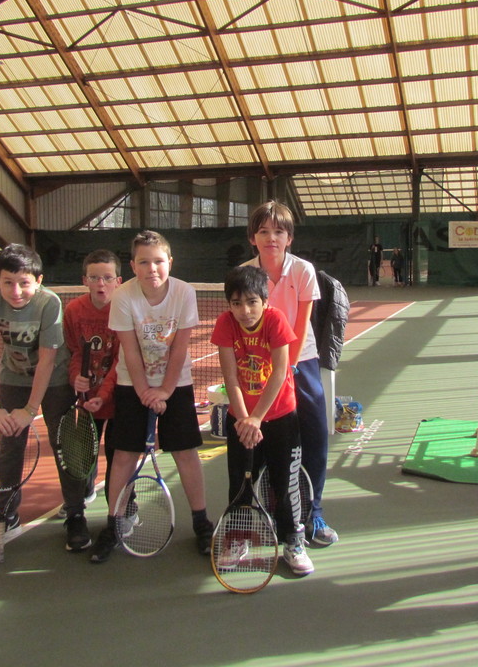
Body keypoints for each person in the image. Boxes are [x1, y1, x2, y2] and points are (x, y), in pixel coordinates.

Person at [90, 230, 213, 562]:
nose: (152, 268)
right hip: (132, 385)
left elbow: (180, 348)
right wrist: (145, 391)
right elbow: (129, 351)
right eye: (143, 262)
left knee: (186, 452)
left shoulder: (184, 293)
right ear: (133, 266)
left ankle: (202, 523)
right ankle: (114, 525)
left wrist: (166, 390)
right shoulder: (123, 296)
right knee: (123, 456)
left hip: (177, 383)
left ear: (169, 262)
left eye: (158, 261)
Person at [0, 243, 79, 553]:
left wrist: (30, 410)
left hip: (55, 380)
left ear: (39, 281)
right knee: (9, 447)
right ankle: (7, 514)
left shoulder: (49, 303)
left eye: (24, 283)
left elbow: (47, 361)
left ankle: (75, 512)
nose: (15, 291)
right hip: (13, 378)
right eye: (8, 282)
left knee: (63, 444)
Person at [243, 200, 338, 546]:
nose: (271, 238)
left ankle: (314, 513)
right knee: (267, 441)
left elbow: (301, 323)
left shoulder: (303, 271)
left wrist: (289, 368)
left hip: (301, 361)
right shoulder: (245, 274)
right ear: (253, 238)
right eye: (264, 231)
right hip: (260, 364)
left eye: (279, 232)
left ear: (289, 238)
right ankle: (272, 510)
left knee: (315, 436)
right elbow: (244, 324)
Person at [211, 266, 314, 576]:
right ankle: (238, 538)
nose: (245, 311)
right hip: (242, 422)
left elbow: (281, 372)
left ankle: (293, 542)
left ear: (265, 301)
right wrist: (245, 419)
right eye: (237, 303)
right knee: (240, 484)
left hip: (281, 417)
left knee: (285, 483)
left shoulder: (275, 320)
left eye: (252, 302)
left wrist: (257, 418)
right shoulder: (225, 324)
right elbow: (230, 376)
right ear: (229, 305)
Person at [62, 249, 123, 552]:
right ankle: (76, 513)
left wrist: (103, 394)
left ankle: (122, 508)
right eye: (95, 277)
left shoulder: (124, 309)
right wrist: (76, 377)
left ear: (118, 281)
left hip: (116, 398)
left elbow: (121, 361)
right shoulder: (73, 310)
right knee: (79, 457)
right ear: (84, 280)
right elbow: (75, 351)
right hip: (86, 403)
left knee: (118, 456)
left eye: (108, 278)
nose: (101, 284)